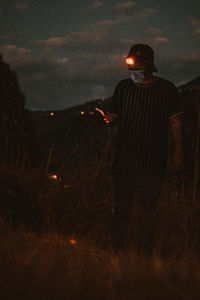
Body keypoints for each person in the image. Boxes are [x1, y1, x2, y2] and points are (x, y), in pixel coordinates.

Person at [104, 44, 184, 254]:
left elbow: (175, 122)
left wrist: (179, 153)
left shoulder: (167, 89)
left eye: (137, 66)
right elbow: (115, 115)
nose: (134, 72)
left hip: (153, 160)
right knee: (121, 208)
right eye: (130, 67)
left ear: (149, 65)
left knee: (147, 211)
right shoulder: (123, 88)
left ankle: (143, 256)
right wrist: (108, 119)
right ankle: (117, 251)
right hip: (125, 159)